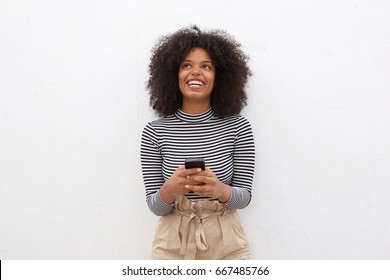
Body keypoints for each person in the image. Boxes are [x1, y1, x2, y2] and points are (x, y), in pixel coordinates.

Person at [140, 25, 255, 260]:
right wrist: (170, 189)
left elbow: (244, 197)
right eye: (186, 65)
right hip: (172, 243)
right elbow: (155, 206)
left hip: (227, 242)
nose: (195, 72)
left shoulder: (238, 127)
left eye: (206, 66)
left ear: (219, 76)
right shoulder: (154, 132)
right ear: (174, 74)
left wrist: (220, 190)